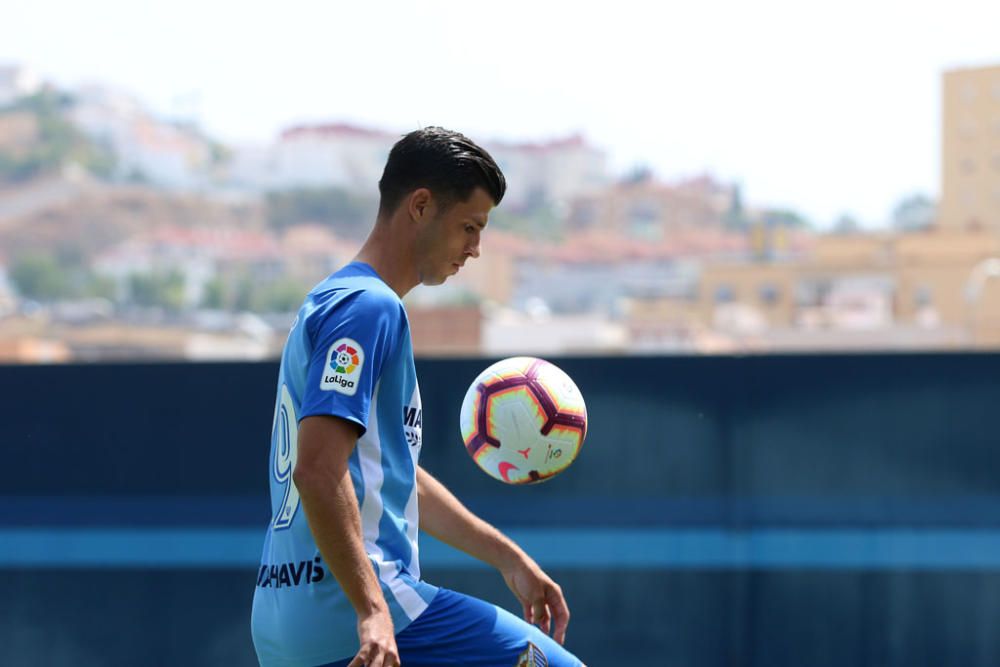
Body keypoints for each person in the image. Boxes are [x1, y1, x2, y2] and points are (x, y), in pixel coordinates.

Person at [251, 126, 585, 667]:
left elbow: (386, 475)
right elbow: (316, 469)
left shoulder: (331, 299)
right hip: (363, 616)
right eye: (469, 227)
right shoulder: (369, 307)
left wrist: (507, 558)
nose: (475, 249)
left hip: (285, 622)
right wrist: (372, 609)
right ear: (422, 206)